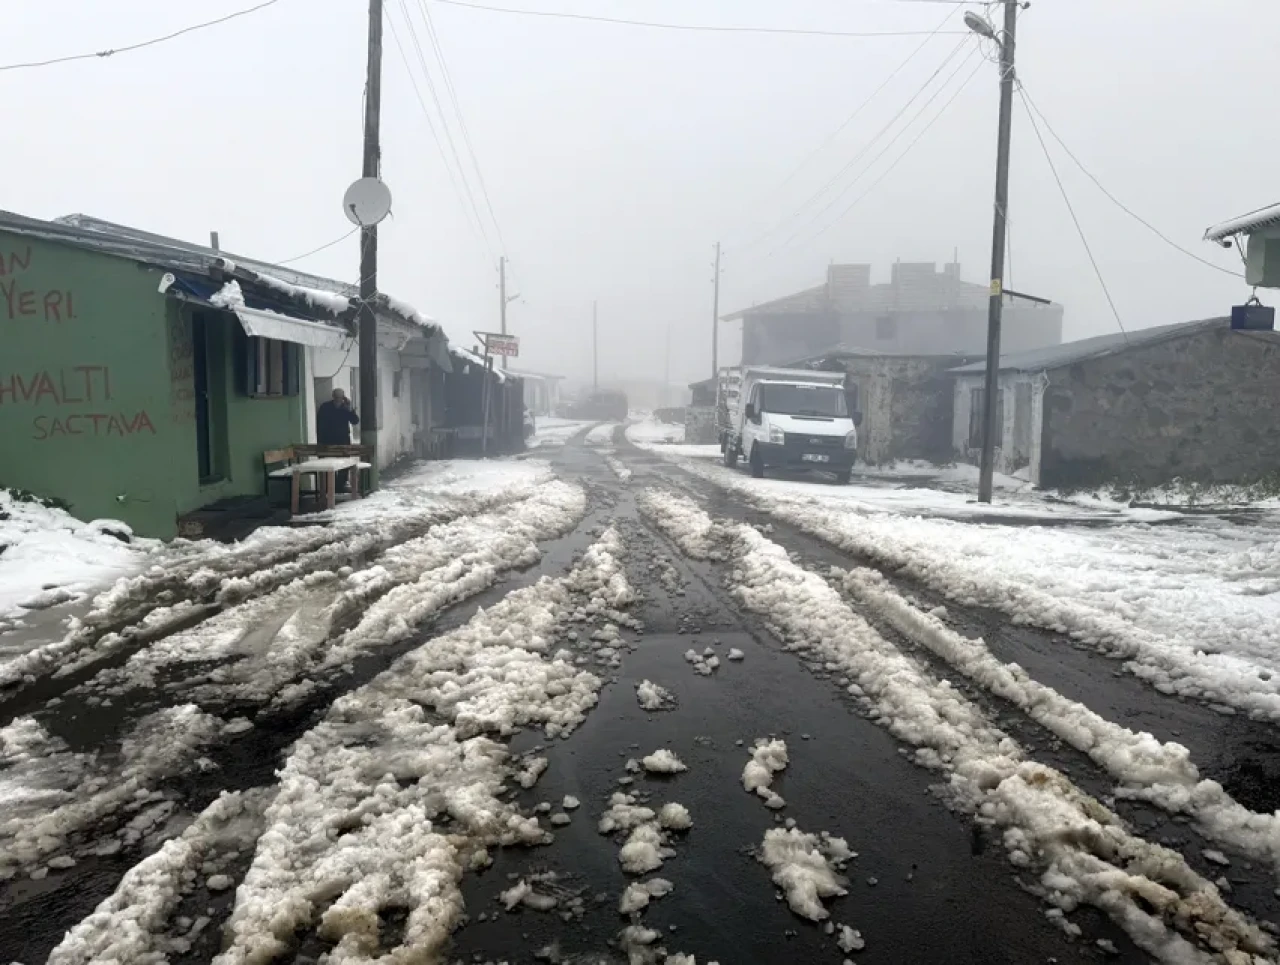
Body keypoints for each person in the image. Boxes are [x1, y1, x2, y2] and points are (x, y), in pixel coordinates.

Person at [316, 388, 360, 490]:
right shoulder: (325, 407)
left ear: (343, 398)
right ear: (333, 397)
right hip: (328, 441)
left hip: (342, 441)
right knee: (328, 464)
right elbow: (320, 423)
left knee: (344, 464)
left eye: (340, 398)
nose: (338, 400)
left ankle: (340, 486)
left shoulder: (345, 409)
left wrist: (350, 409)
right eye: (337, 397)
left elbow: (355, 421)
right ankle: (330, 487)